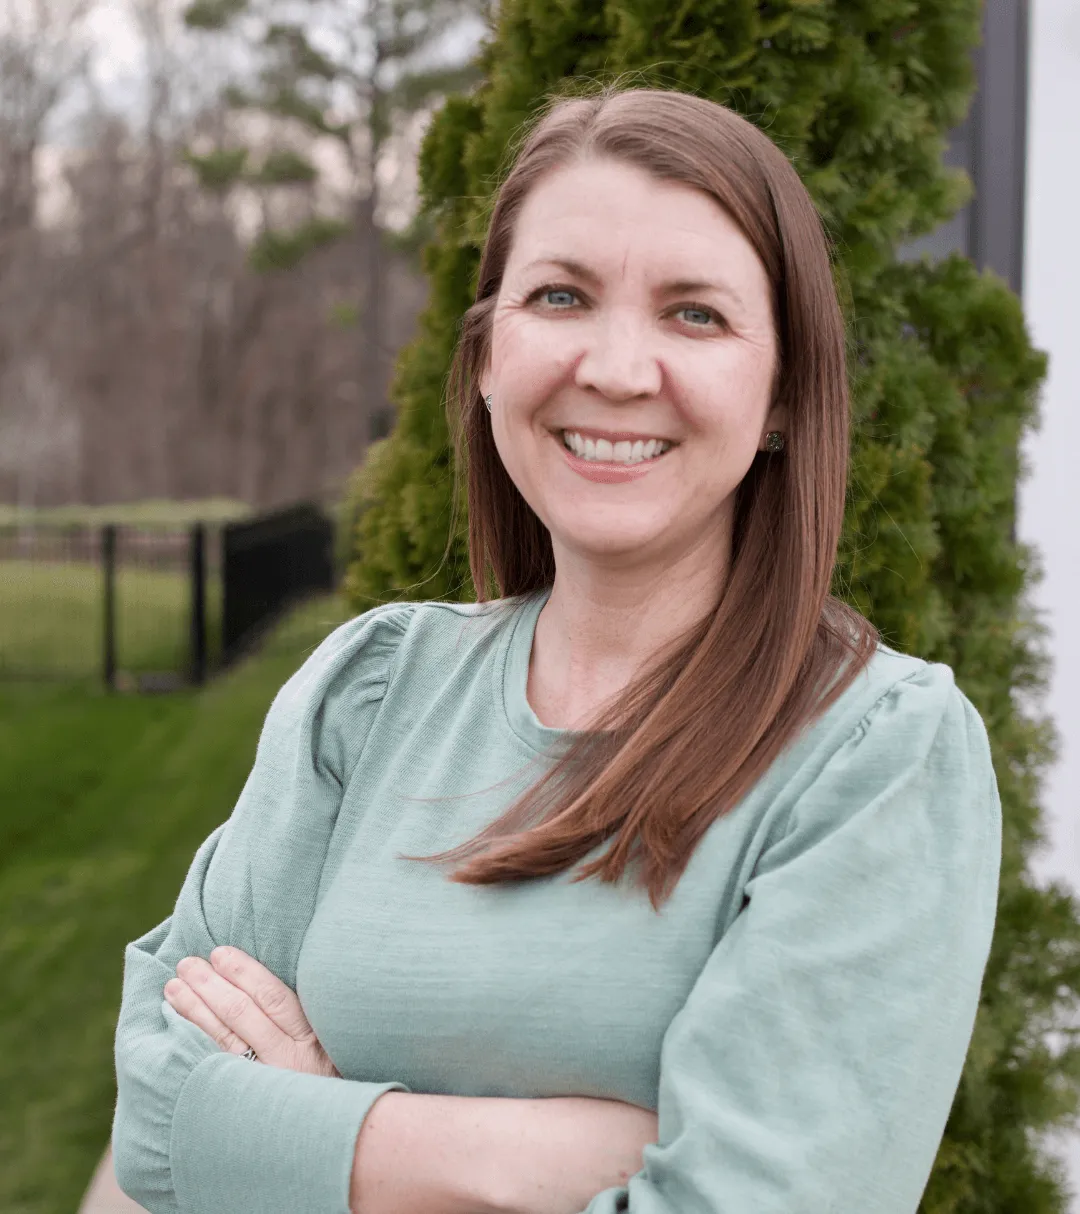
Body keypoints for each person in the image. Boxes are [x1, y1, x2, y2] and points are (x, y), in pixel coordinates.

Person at [110, 83, 1001, 1214]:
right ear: (488, 357)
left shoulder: (874, 756)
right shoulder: (369, 690)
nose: (618, 368)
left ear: (781, 395)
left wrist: (299, 1132)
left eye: (696, 314)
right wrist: (535, 1160)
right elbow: (157, 1110)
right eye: (561, 294)